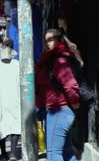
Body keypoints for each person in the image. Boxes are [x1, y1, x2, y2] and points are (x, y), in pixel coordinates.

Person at [35, 28, 81, 161]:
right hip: (57, 111)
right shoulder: (50, 59)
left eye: (50, 40)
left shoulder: (59, 60)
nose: (47, 43)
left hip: (59, 110)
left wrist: (75, 103)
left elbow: (70, 84)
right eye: (45, 41)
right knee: (67, 153)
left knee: (53, 154)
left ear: (59, 40)